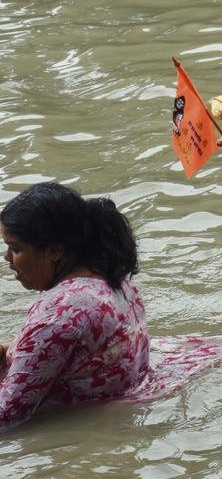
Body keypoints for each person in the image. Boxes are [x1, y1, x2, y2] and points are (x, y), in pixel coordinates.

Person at [0, 183, 148, 431]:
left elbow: (8, 413)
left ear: (56, 250)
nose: (7, 258)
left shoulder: (58, 315)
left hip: (91, 427)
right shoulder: (115, 280)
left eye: (16, 248)